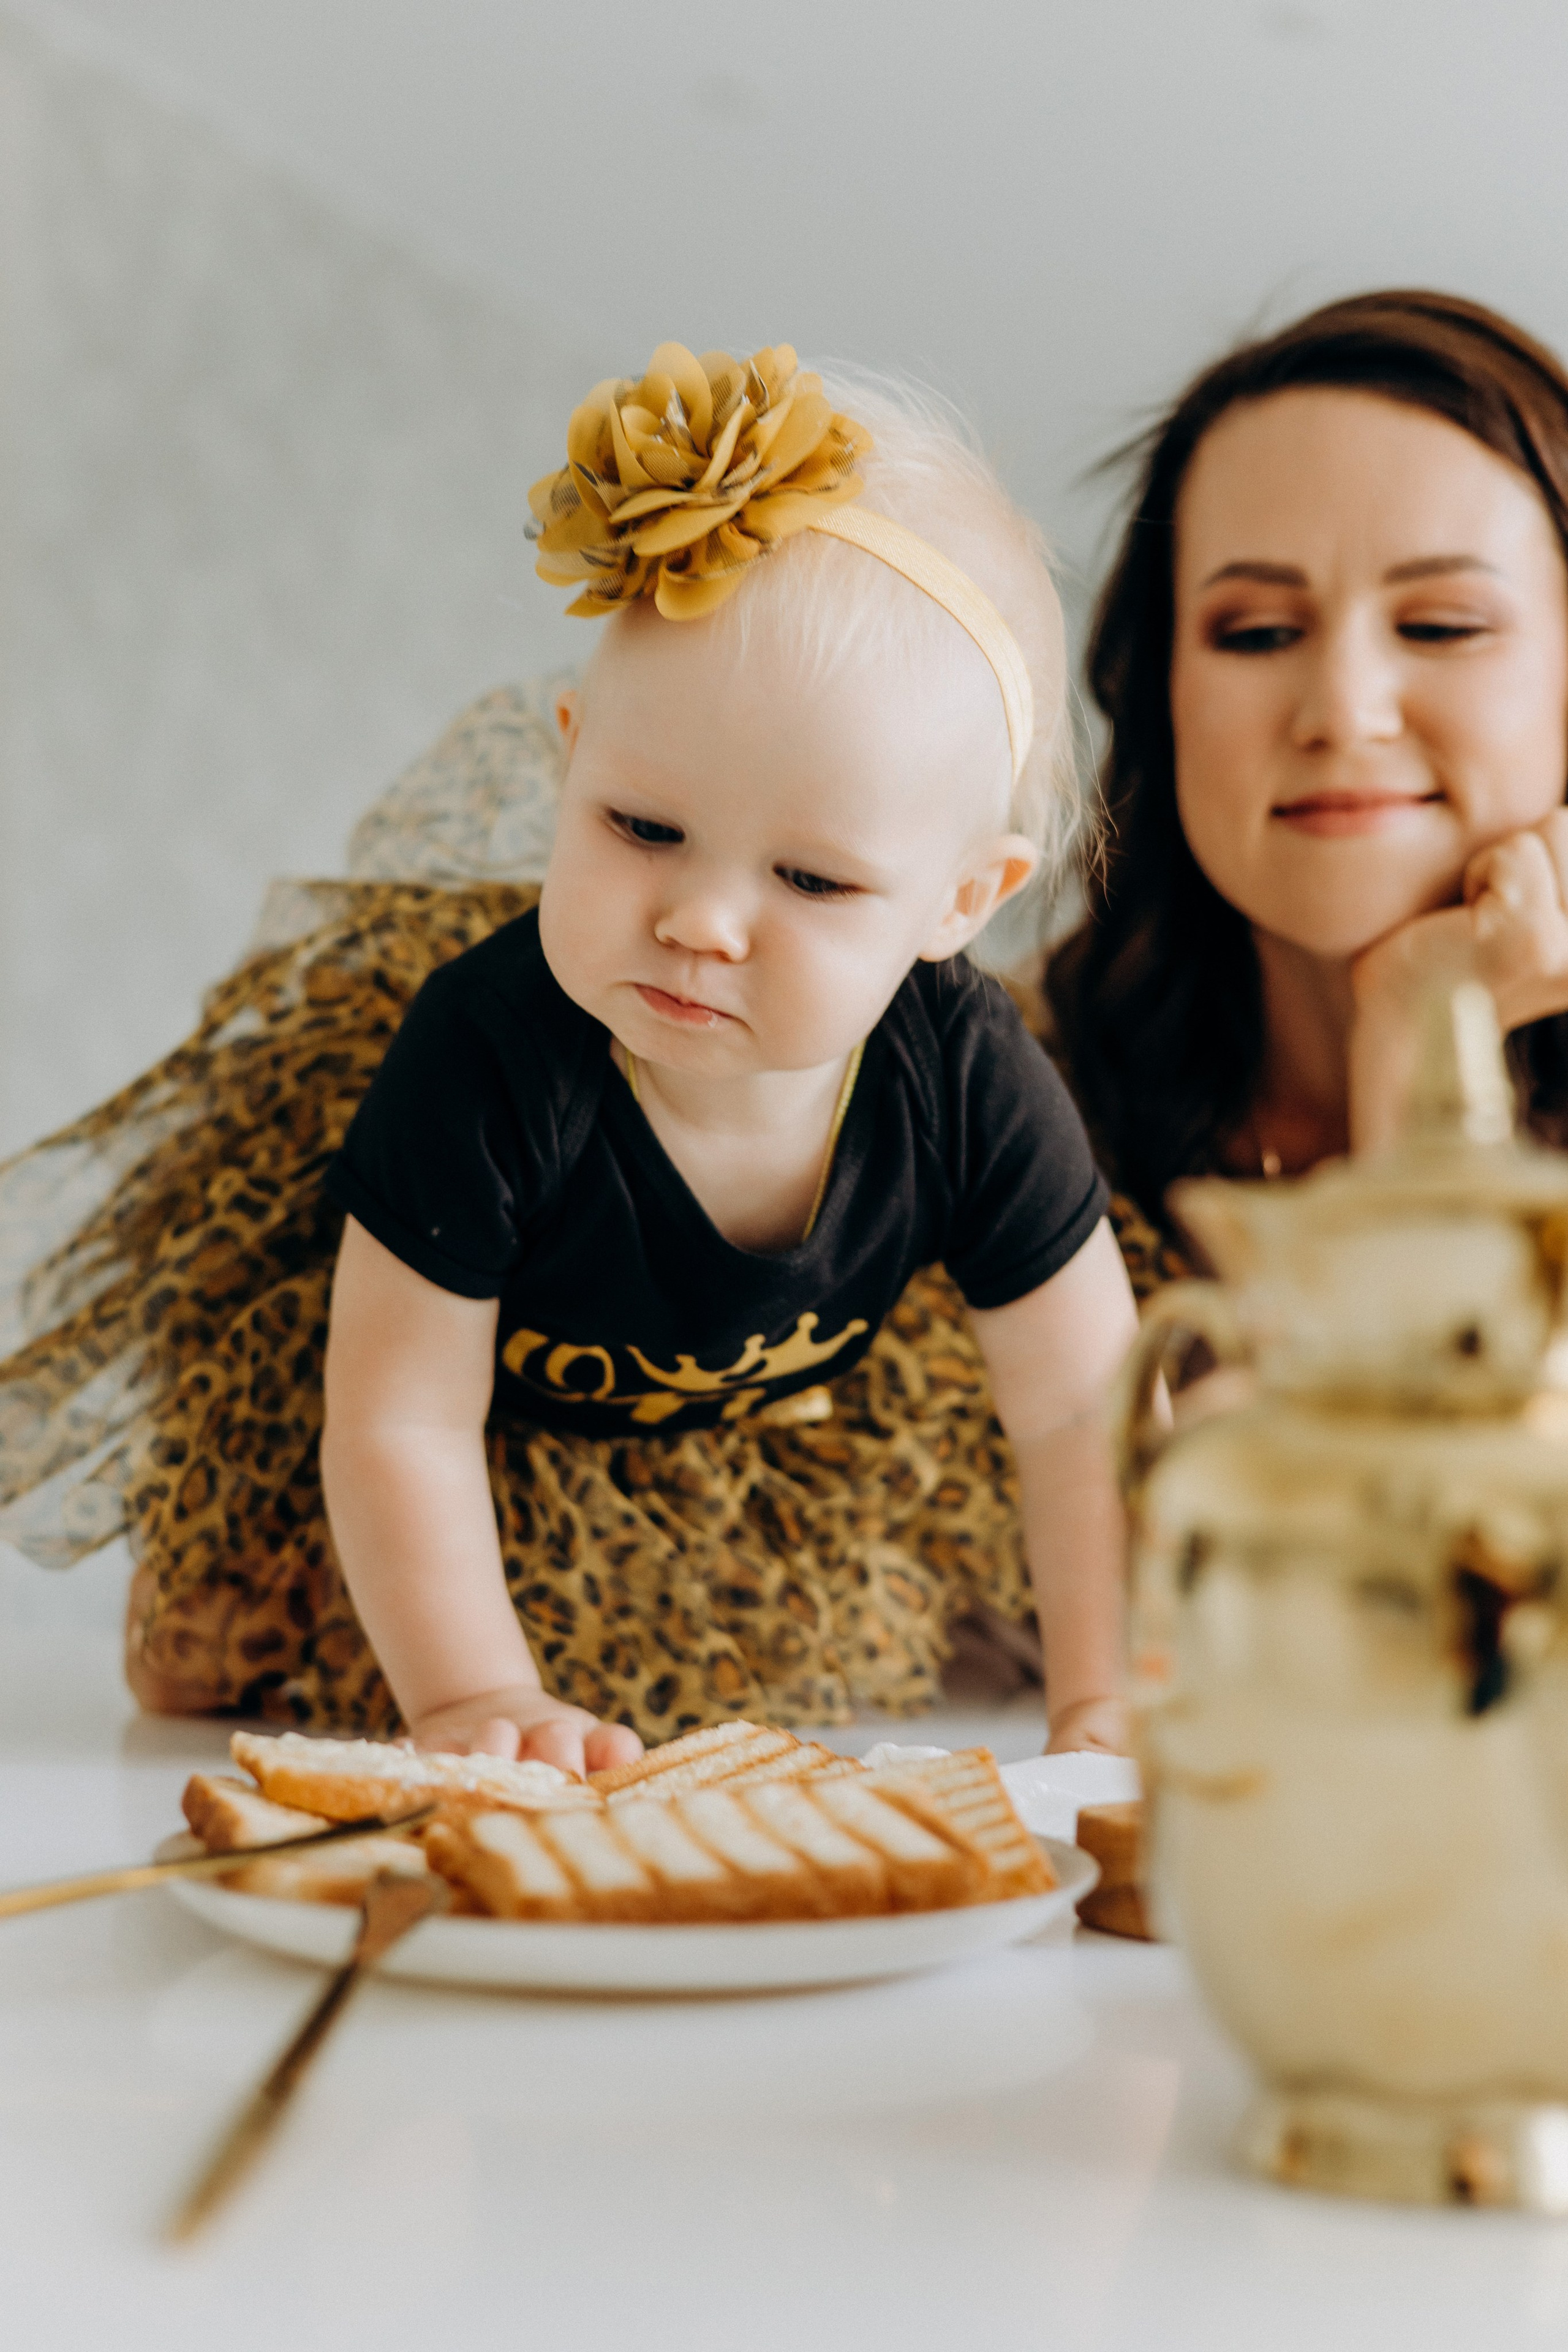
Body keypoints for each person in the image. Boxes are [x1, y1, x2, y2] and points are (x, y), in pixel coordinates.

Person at [0, 341, 1137, 1770]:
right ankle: (270, 1594)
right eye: (641, 830)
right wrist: (474, 1701)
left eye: (813, 881)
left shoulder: (967, 1085)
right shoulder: (488, 1055)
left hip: (736, 1411)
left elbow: (1085, 1412)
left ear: (963, 901)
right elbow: (402, 1416)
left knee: (789, 1662)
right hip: (422, 1388)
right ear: (571, 756)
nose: (703, 921)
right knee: (225, 1658)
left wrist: (1105, 1698)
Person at [1048, 290, 1568, 1273]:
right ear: (1160, 690)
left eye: (1443, 625)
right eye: (1257, 633)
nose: (1341, 711)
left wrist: (1423, 1046)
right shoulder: (953, 1107)